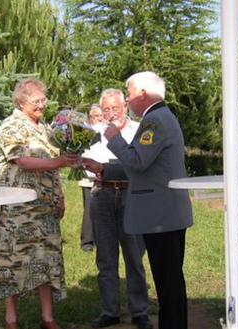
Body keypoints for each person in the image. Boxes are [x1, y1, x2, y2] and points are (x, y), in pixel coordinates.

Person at [83, 72, 194, 329]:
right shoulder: (162, 117)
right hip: (167, 213)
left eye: (129, 94)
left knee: (169, 285)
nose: (129, 100)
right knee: (170, 284)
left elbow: (136, 161)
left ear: (143, 94)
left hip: (161, 217)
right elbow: (146, 168)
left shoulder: (153, 121)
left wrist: (114, 139)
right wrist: (105, 170)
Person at [0, 78, 78, 329]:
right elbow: (21, 160)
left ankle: (47, 318)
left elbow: (54, 165)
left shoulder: (44, 127)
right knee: (12, 260)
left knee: (46, 260)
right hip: (16, 209)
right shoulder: (11, 125)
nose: (42, 105)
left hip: (44, 207)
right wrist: (57, 163)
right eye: (37, 101)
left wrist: (60, 195)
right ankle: (10, 320)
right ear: (21, 102)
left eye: (44, 100)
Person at [87, 89, 152, 329]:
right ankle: (109, 311)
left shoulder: (139, 131)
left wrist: (102, 168)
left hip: (130, 195)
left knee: (134, 256)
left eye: (115, 108)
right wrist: (90, 166)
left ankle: (139, 312)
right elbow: (86, 164)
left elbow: (138, 167)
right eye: (106, 110)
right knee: (105, 257)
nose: (111, 113)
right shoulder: (97, 133)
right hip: (102, 194)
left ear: (125, 106)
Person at [78, 104, 103, 252]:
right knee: (89, 209)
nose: (98, 119)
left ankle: (103, 238)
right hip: (88, 177)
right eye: (95, 116)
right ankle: (87, 241)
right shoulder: (85, 132)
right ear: (90, 118)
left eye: (101, 116)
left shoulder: (108, 131)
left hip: (105, 176)